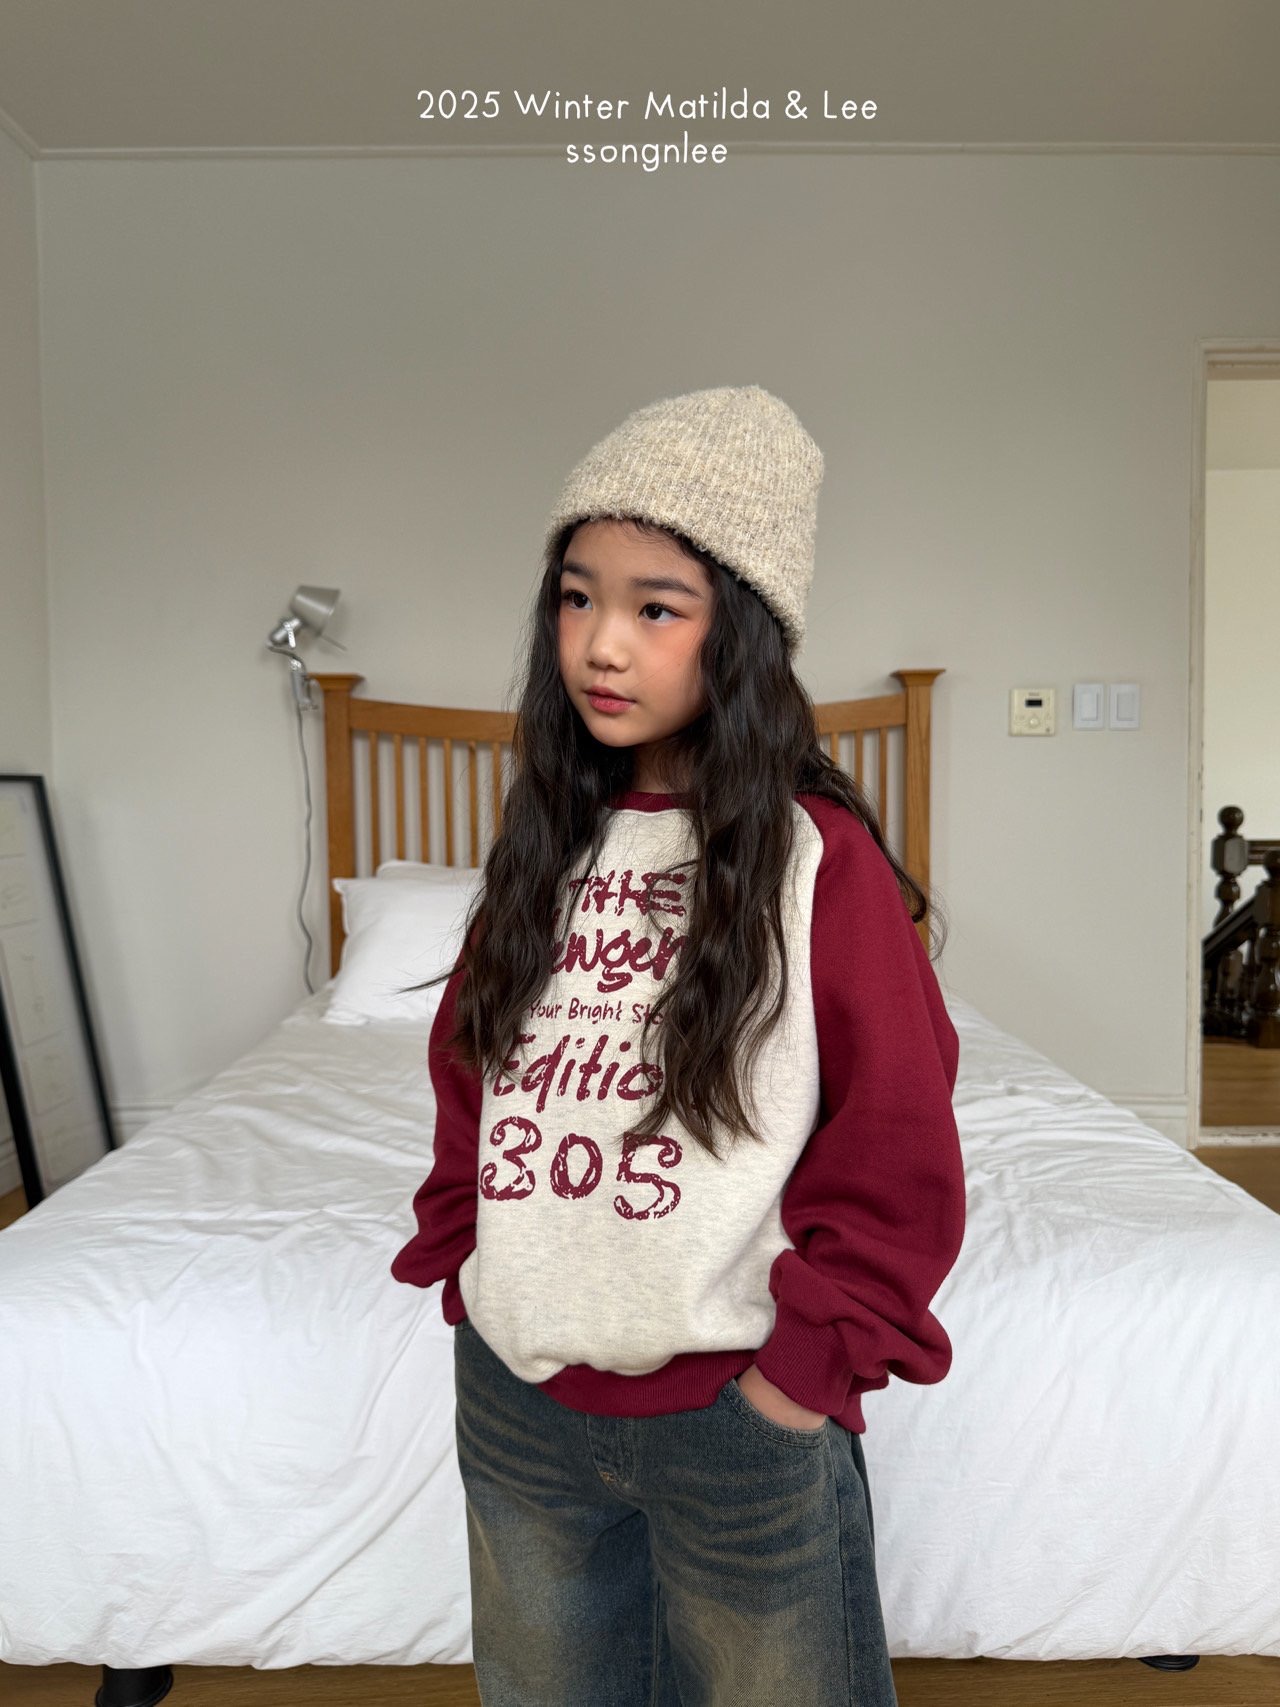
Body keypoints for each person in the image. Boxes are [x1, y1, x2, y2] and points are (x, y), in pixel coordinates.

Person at [389, 384, 966, 1707]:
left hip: (736, 1418)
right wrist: (472, 1274)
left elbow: (896, 1138)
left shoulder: (818, 862)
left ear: (740, 634)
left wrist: (797, 1380)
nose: (601, 642)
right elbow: (471, 1076)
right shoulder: (545, 847)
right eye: (576, 596)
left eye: (656, 608)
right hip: (520, 1401)